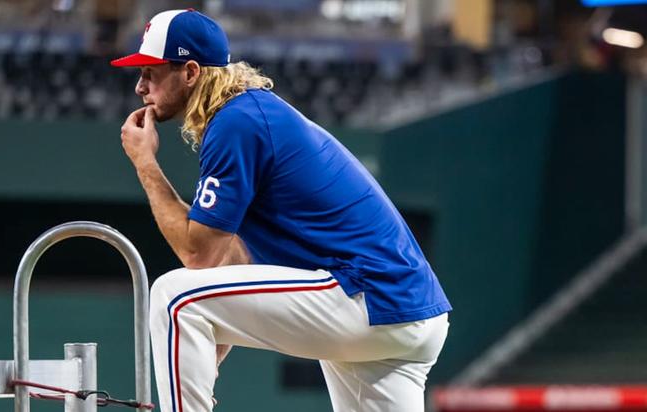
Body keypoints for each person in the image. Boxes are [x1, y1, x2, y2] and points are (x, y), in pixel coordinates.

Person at [113, 9, 451, 412]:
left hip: (367, 294)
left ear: (189, 72)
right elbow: (231, 252)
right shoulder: (252, 112)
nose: (140, 86)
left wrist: (145, 164)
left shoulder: (236, 122)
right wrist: (217, 326)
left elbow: (197, 254)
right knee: (190, 301)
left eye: (150, 71)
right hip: (410, 312)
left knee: (173, 297)